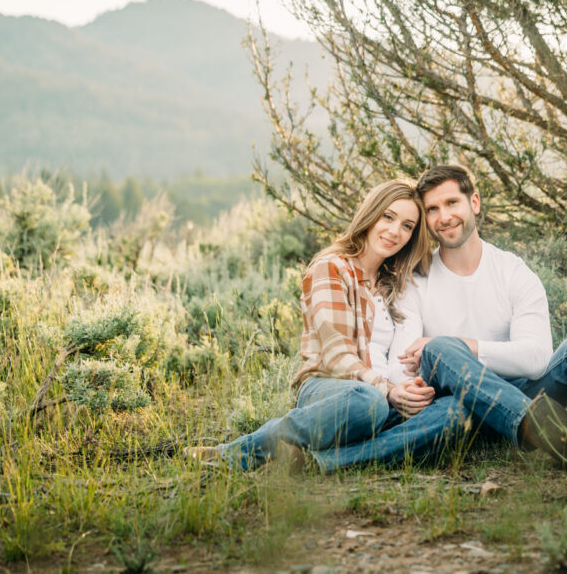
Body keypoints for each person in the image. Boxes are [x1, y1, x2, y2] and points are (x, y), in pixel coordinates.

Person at [304, 164, 567, 472]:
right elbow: (407, 357)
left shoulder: (513, 272)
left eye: (451, 203)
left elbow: (536, 359)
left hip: (526, 400)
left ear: (473, 203)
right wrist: (406, 390)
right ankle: (535, 429)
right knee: (440, 353)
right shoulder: (416, 277)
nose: (443, 217)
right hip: (459, 406)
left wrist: (467, 348)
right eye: (432, 210)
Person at [184, 179, 435, 470]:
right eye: (388, 217)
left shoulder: (395, 285)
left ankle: (317, 460)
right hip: (334, 389)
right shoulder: (332, 268)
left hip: (385, 398)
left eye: (407, 226)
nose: (395, 231)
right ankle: (236, 452)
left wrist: (410, 394)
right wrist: (389, 390)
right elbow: (337, 357)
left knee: (450, 411)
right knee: (368, 404)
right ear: (371, 214)